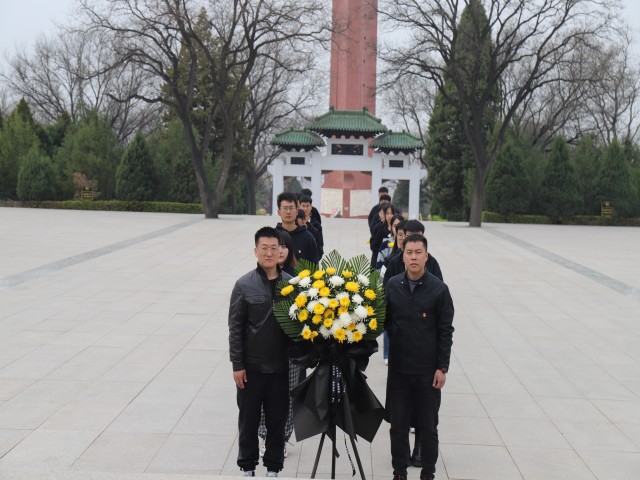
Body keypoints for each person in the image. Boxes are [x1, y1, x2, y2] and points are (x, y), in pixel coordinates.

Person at [385, 234, 454, 480]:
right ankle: (399, 472)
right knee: (398, 427)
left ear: (426, 256)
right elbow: (385, 321)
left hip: (427, 371)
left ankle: (428, 473)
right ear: (402, 256)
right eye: (408, 252)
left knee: (428, 427)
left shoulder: (439, 290)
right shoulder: (393, 285)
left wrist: (441, 368)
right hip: (399, 370)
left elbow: (446, 331)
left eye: (418, 252)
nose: (413, 257)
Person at [228, 227, 292, 477]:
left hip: (280, 368)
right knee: (248, 420)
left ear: (280, 252)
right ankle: (247, 467)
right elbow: (235, 328)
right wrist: (237, 364)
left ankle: (273, 468)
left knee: (277, 421)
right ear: (255, 251)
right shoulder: (243, 285)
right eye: (264, 248)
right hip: (251, 369)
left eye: (273, 248)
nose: (268, 252)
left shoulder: (291, 285)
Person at [257, 230, 304, 459]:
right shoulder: (257, 279)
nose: (279, 251)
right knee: (266, 396)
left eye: (283, 246)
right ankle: (266, 435)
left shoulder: (298, 280)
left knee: (288, 396)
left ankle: (283, 437)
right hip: (265, 352)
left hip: (291, 352)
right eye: (276, 246)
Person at [383, 220, 443, 287]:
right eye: (410, 236)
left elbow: (439, 288)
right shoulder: (394, 262)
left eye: (418, 236)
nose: (414, 240)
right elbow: (385, 289)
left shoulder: (432, 262)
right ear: (404, 237)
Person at [275, 192, 319, 264]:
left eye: (291, 208)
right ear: (279, 212)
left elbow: (315, 267)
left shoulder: (308, 237)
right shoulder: (273, 236)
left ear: (297, 211)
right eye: (285, 208)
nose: (288, 212)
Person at [370, 203, 396, 268]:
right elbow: (374, 246)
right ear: (384, 214)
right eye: (387, 213)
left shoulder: (397, 228)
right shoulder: (379, 228)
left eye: (391, 213)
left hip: (393, 262)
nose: (389, 216)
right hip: (379, 260)